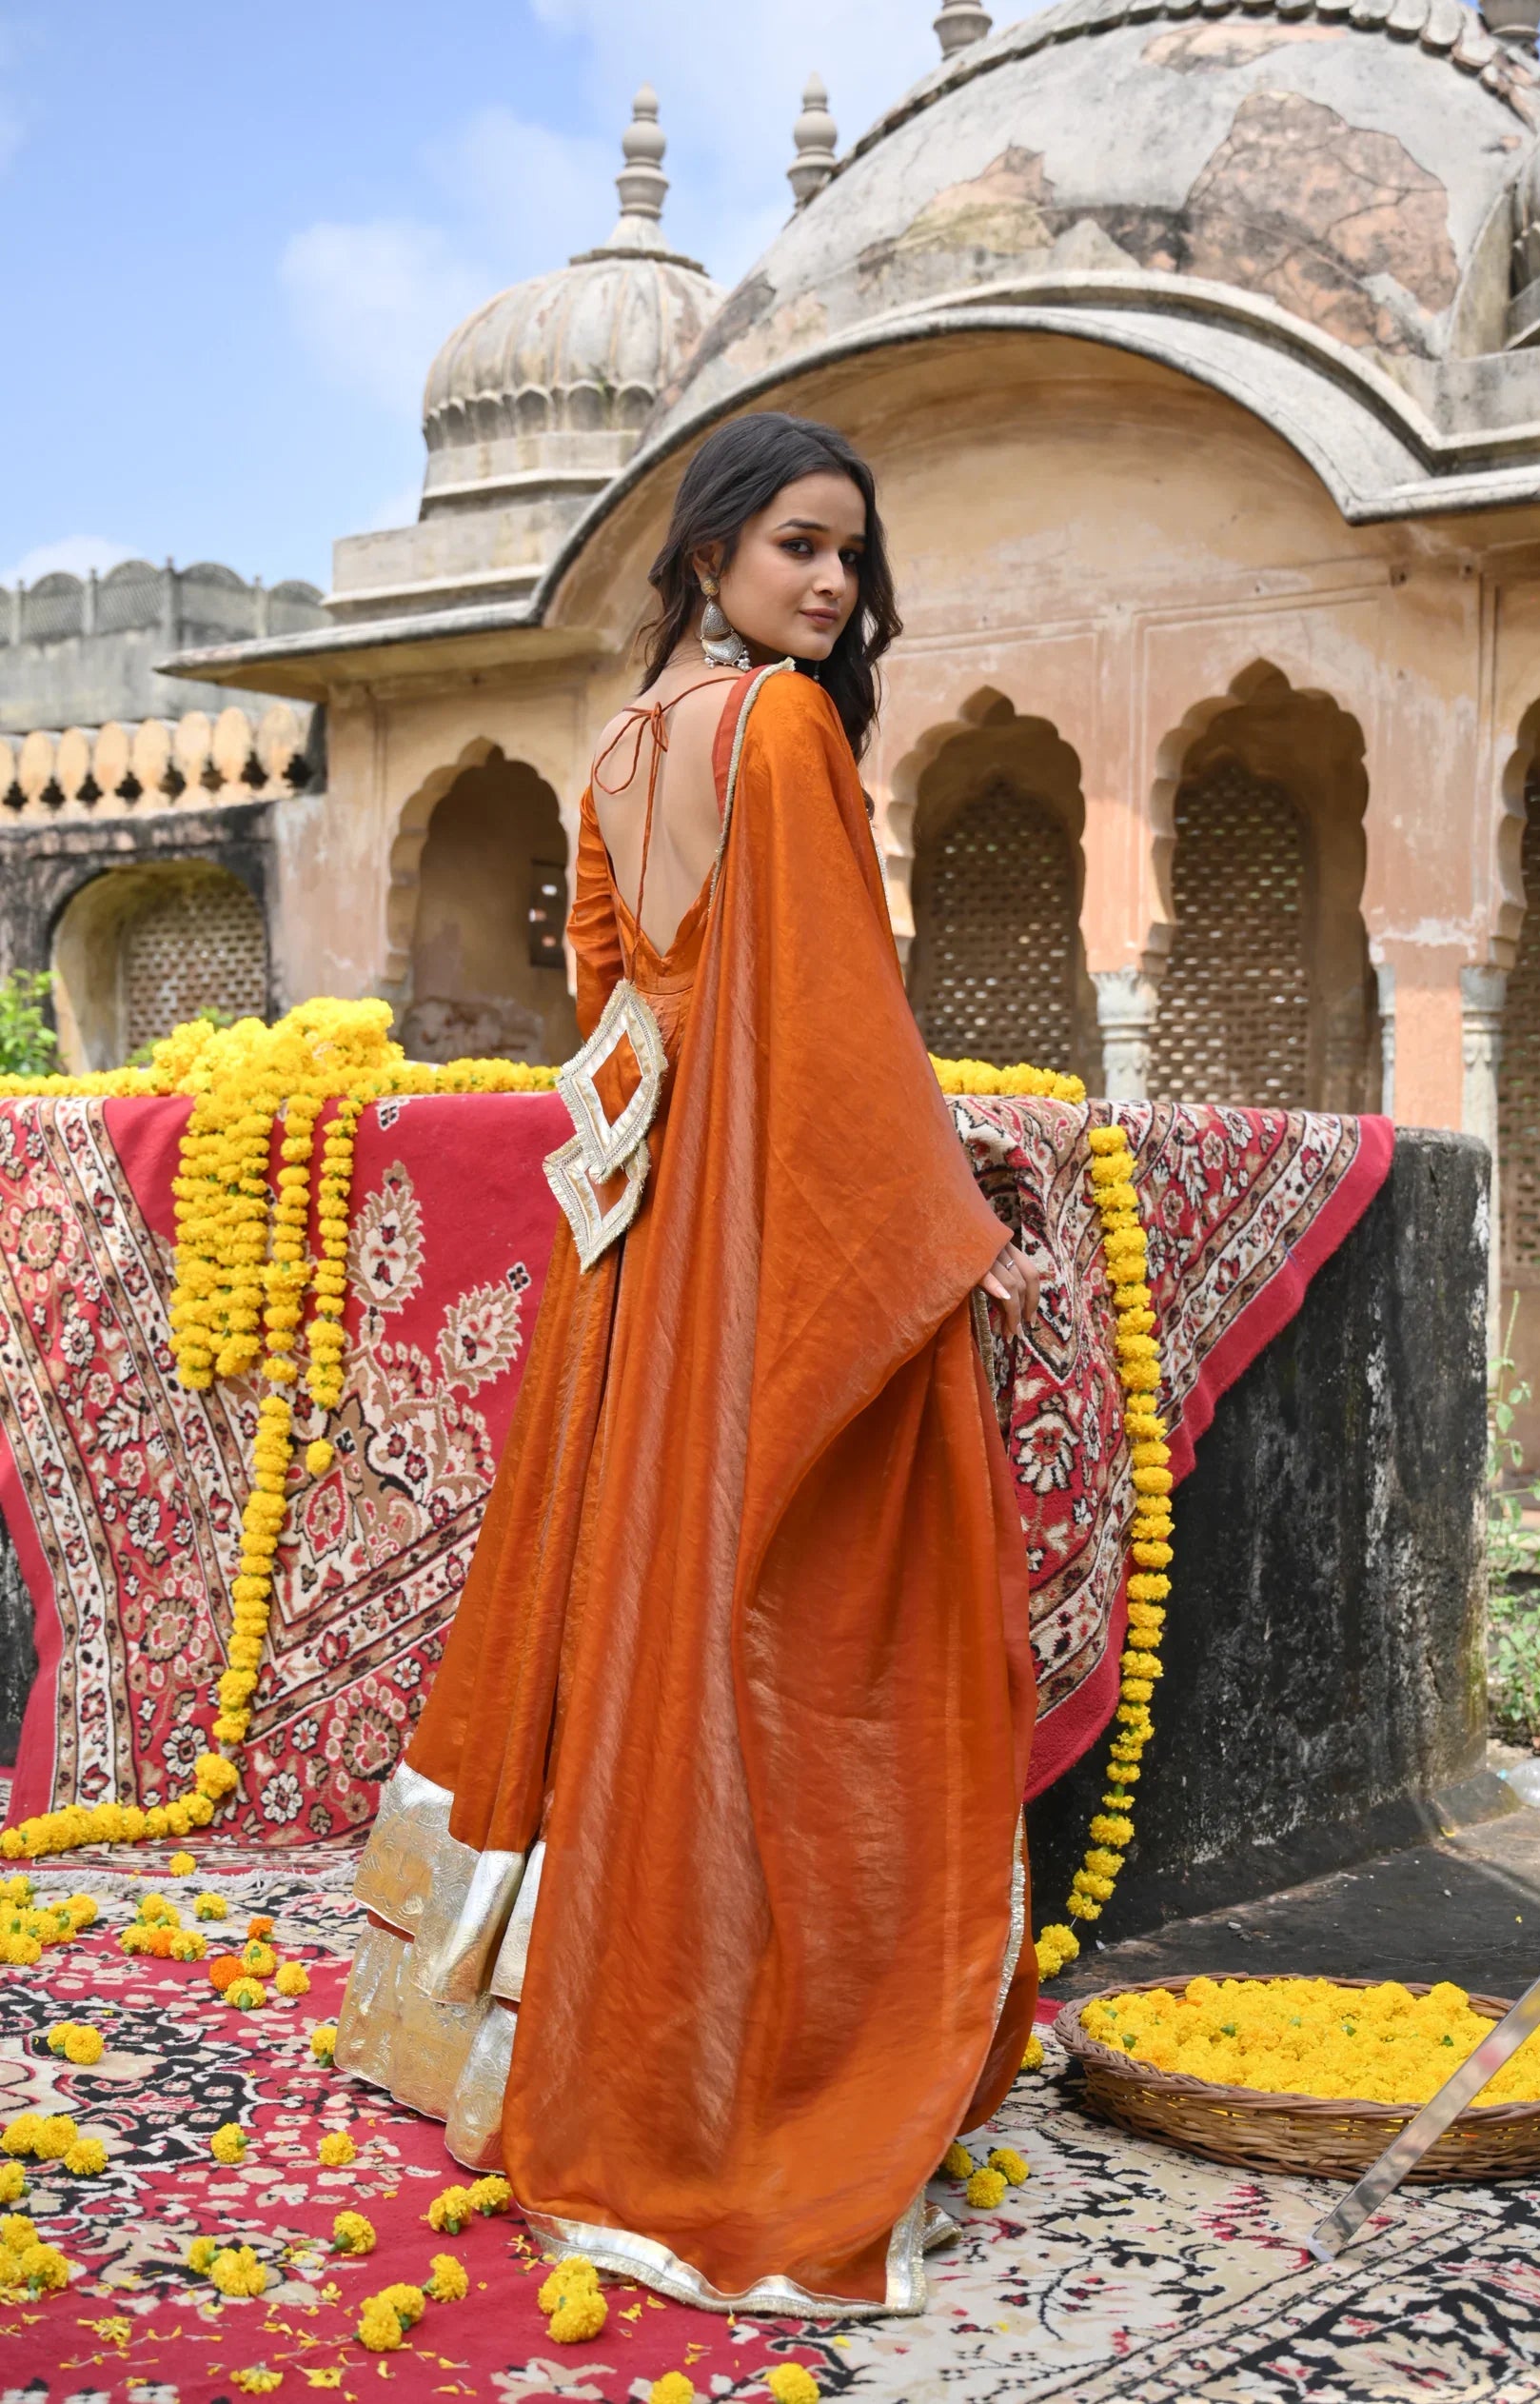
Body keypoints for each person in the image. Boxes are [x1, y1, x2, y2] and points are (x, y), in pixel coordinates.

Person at [335, 411, 1042, 2318]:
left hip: (636, 1246)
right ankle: (707, 2061)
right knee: (764, 1602)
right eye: (803, 547)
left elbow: (611, 1004)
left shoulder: (630, 739)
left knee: (622, 1600)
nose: (831, 586)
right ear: (716, 547)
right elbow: (830, 1031)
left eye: (851, 562)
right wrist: (938, 1238)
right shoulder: (786, 730)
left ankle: (534, 2019)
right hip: (736, 1236)